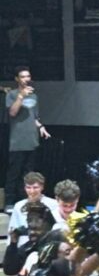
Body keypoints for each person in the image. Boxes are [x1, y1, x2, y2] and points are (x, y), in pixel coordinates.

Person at [5, 66, 50, 204]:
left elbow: (35, 117)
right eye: (23, 76)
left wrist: (41, 127)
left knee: (29, 174)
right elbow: (12, 113)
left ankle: (26, 201)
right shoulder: (12, 94)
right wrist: (21, 96)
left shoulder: (34, 95)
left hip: (32, 140)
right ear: (17, 79)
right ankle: (10, 202)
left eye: (28, 76)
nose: (26, 79)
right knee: (14, 173)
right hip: (17, 142)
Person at [8, 171, 61, 247]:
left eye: (35, 187)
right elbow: (13, 228)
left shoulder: (53, 204)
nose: (31, 191)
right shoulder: (18, 206)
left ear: (42, 187)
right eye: (28, 188)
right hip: (23, 245)